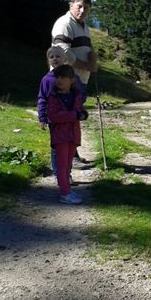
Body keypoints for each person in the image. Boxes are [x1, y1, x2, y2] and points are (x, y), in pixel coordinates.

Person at [51, 0, 97, 168]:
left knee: (73, 117)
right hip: (65, 80)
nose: (82, 10)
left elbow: (87, 48)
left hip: (78, 79)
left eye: (86, 7)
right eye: (79, 6)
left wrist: (93, 59)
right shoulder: (64, 24)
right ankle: (64, 161)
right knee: (65, 117)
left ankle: (71, 155)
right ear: (71, 5)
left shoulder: (83, 26)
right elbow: (62, 51)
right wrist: (85, 65)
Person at [37, 46, 87, 181]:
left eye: (58, 56)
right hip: (55, 119)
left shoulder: (72, 76)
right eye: (51, 56)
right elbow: (42, 98)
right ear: (48, 61)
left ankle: (67, 173)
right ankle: (57, 174)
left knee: (70, 145)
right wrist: (42, 117)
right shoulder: (46, 80)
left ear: (65, 58)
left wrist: (78, 108)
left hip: (71, 118)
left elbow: (81, 93)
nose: (55, 58)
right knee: (57, 147)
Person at [46, 64, 88, 205]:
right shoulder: (53, 97)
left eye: (63, 77)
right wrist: (74, 115)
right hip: (60, 136)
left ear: (71, 80)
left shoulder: (76, 95)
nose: (59, 80)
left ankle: (67, 189)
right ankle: (64, 193)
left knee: (68, 164)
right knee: (61, 164)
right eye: (57, 77)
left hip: (73, 135)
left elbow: (79, 111)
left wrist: (83, 114)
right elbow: (54, 116)